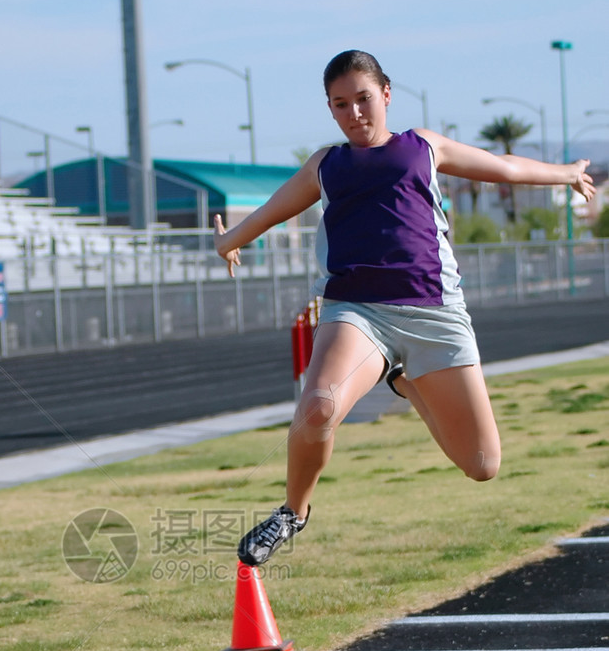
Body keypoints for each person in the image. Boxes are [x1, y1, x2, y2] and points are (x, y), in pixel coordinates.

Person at [214, 48, 595, 567]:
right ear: (330, 109)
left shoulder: (423, 147)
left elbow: (505, 167)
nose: (355, 114)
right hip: (357, 311)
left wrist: (567, 172)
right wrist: (229, 240)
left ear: (387, 95)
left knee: (482, 464)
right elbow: (270, 211)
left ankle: (403, 380)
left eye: (364, 99)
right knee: (318, 405)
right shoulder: (326, 166)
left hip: (436, 314)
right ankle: (291, 513)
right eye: (340, 104)